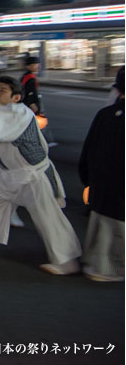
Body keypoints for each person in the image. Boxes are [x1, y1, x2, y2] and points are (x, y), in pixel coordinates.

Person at [0, 77, 82, 275]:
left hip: (33, 175)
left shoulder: (20, 112)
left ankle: (66, 261)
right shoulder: (2, 112)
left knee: (48, 218)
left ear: (16, 98)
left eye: (2, 90)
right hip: (9, 174)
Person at [78, 68, 124, 282]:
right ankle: (113, 269)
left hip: (102, 184)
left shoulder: (104, 114)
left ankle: (95, 265)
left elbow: (88, 150)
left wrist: (88, 180)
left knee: (102, 224)